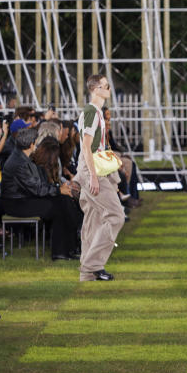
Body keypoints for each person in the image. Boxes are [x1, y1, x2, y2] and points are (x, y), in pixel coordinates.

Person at [74, 74, 126, 282]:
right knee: (116, 216)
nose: (108, 89)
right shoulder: (91, 112)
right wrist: (93, 177)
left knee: (93, 220)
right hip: (92, 167)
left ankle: (87, 273)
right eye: (105, 86)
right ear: (95, 89)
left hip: (92, 166)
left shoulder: (94, 112)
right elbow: (86, 146)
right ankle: (92, 265)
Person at [2, 129, 80, 261]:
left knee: (64, 200)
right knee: (58, 207)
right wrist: (57, 189)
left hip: (24, 199)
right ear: (31, 144)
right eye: (36, 142)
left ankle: (71, 246)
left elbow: (38, 185)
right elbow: (36, 188)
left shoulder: (22, 157)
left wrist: (58, 189)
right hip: (16, 204)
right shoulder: (19, 162)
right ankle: (63, 249)